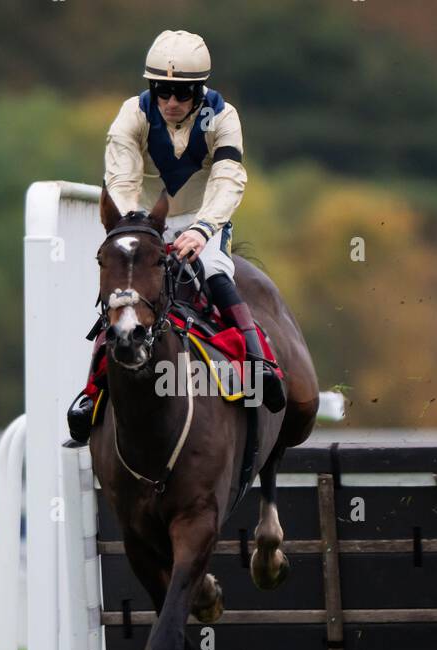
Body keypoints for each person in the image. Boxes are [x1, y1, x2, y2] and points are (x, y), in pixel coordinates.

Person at [66, 29, 285, 444]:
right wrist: (139, 225)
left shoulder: (223, 117)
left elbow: (228, 179)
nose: (170, 102)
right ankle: (91, 393)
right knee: (124, 292)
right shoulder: (131, 113)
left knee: (215, 273)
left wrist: (203, 229)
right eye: (162, 91)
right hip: (143, 223)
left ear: (199, 90)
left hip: (205, 221)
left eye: (182, 93)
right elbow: (121, 175)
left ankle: (261, 362)